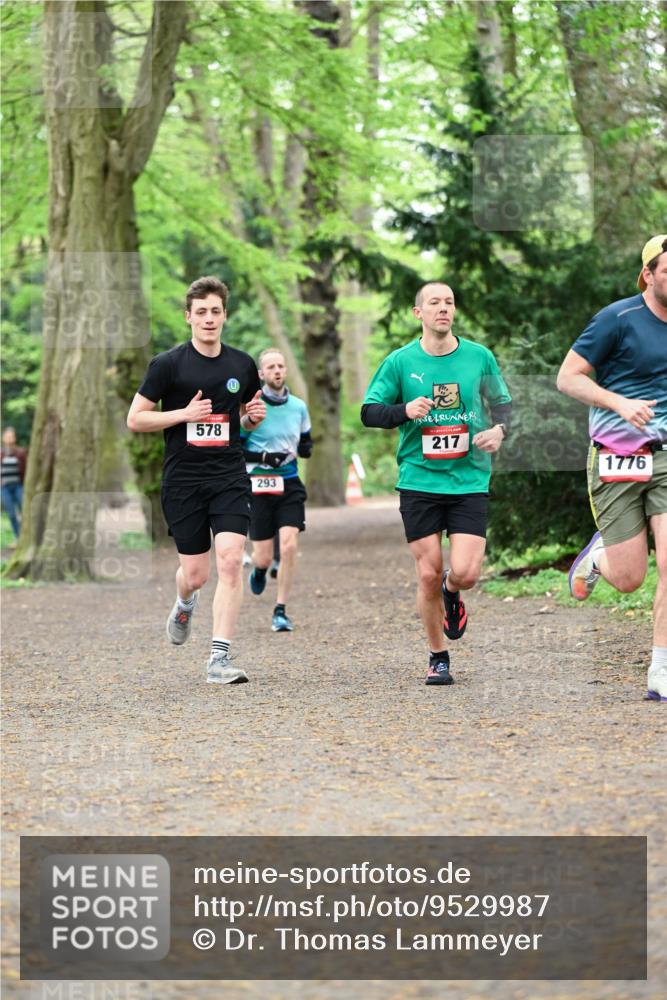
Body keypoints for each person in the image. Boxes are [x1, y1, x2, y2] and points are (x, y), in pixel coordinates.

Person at [361, 281, 511, 686]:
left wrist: (499, 430)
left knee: (464, 573)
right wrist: (404, 410)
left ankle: (452, 592)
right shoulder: (399, 362)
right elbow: (369, 412)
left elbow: (504, 406)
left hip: (468, 479)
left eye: (448, 302)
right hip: (419, 479)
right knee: (426, 572)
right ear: (419, 313)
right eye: (434, 303)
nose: (442, 308)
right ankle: (437, 655)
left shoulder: (478, 357)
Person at [127, 276, 266, 685]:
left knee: (229, 562)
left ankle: (218, 659)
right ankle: (185, 601)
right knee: (196, 574)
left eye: (216, 311)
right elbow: (135, 418)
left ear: (225, 316)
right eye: (201, 312)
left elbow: (243, 417)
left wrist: (251, 419)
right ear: (188, 317)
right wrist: (182, 415)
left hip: (228, 476)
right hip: (183, 481)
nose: (209, 319)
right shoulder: (168, 364)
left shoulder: (241, 364)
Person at [557, 235, 667, 703]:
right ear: (649, 274)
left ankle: (661, 670)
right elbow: (568, 377)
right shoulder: (616, 319)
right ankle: (602, 556)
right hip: (616, 452)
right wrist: (617, 403)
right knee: (630, 579)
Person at [242, 349, 312, 632]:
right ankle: (260, 568)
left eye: (281, 365)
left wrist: (304, 448)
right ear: (261, 374)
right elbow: (236, 448)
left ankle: (280, 610)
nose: (277, 371)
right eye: (270, 367)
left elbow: (306, 441)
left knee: (289, 544)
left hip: (289, 483)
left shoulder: (298, 406)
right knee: (263, 556)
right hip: (258, 484)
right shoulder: (254, 407)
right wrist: (262, 459)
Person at [1, 427, 27, 542]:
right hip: (5, 488)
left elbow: (25, 469)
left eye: (11, 436)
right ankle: (18, 537)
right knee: (11, 514)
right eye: (7, 436)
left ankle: (26, 536)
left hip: (18, 486)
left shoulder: (20, 452)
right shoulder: (1, 453)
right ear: (3, 438)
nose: (9, 439)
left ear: (15, 438)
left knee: (24, 510)